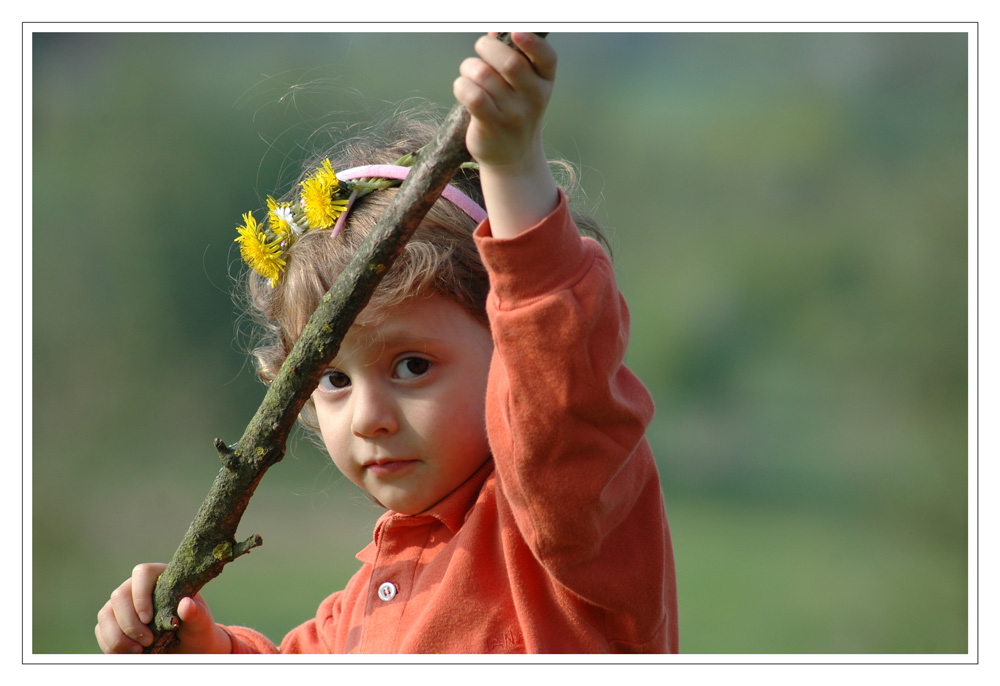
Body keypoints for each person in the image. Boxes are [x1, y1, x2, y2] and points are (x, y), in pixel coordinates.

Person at [95, 32, 678, 654]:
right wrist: (200, 652)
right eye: (335, 380)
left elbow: (559, 384)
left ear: (511, 348)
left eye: (412, 365)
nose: (369, 419)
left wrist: (512, 169)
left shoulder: (569, 524)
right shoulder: (363, 602)